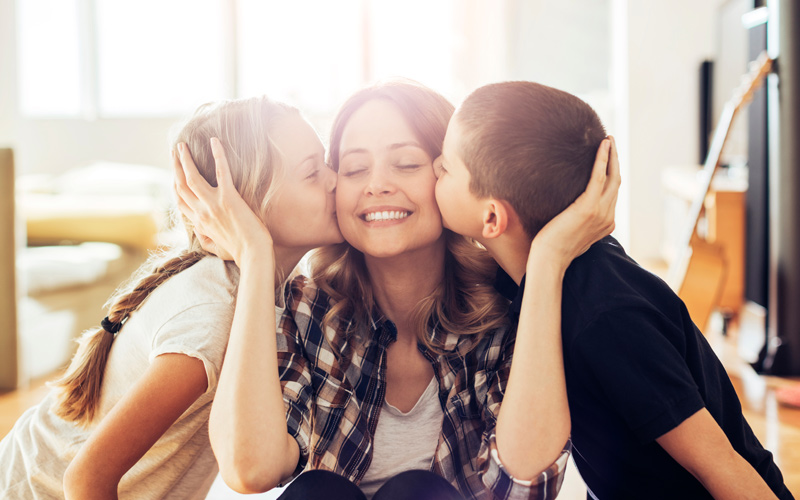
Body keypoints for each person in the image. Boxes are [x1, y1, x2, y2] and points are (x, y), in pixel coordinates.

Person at [174, 79, 619, 499]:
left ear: (452, 178)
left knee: (417, 493)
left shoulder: (507, 308)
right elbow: (250, 470)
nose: (377, 184)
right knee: (317, 492)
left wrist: (546, 260)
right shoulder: (306, 311)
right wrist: (256, 255)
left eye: (406, 164)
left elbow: (524, 480)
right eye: (353, 168)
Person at [434, 80, 794, 499]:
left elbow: (718, 462)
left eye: (444, 169)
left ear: (492, 218)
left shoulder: (607, 316)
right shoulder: (525, 278)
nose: (432, 173)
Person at [0, 95, 343, 499]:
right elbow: (86, 479)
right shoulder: (212, 315)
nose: (335, 180)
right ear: (247, 205)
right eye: (312, 173)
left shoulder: (269, 293)